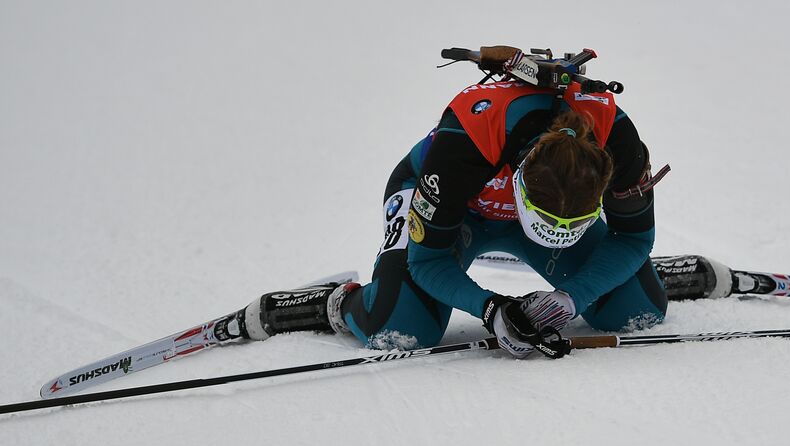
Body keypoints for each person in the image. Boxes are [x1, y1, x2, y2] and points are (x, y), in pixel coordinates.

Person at [215, 46, 675, 359]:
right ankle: (339, 303)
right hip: (453, 211)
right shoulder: (468, 140)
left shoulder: (618, 140)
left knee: (636, 312)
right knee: (401, 330)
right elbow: (428, 260)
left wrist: (572, 297)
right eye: (548, 221)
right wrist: (492, 309)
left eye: (572, 224)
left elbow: (633, 238)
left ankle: (636, 273)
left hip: (509, 210)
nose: (558, 231)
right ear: (518, 179)